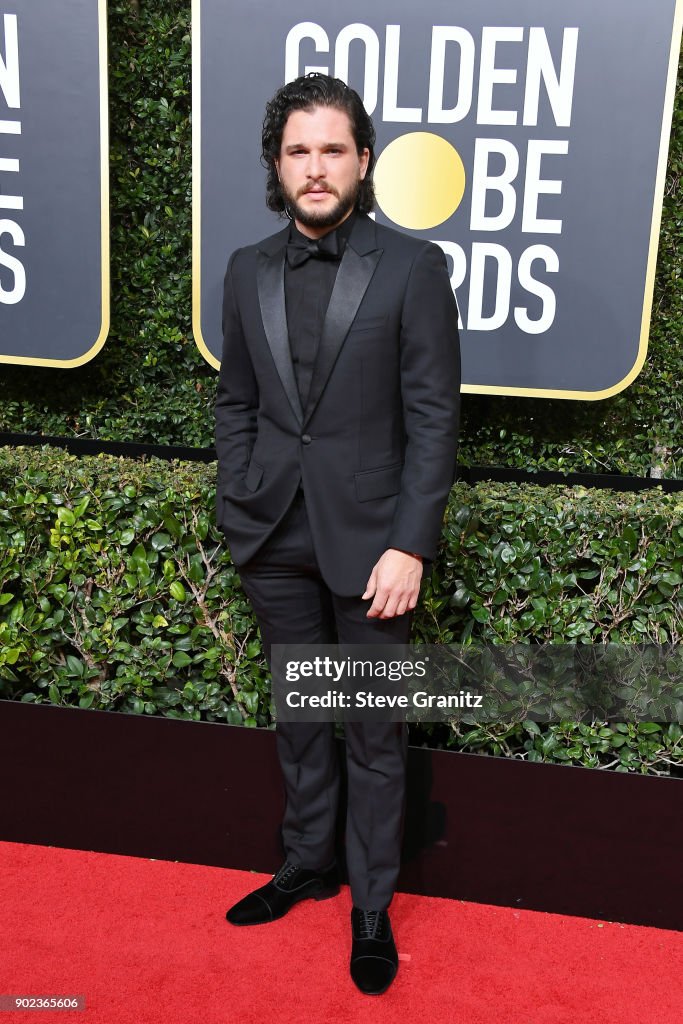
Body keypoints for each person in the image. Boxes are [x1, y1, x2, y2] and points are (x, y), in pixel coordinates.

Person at [214, 72, 460, 995]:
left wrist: (411, 543)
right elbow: (235, 398)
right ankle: (307, 861)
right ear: (277, 167)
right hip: (271, 531)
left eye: (332, 149)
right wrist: (240, 492)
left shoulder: (411, 268)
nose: (314, 168)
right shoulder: (245, 268)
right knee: (300, 717)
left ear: (362, 159)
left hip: (372, 549)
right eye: (296, 151)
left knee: (370, 730)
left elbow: (434, 418)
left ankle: (369, 902)